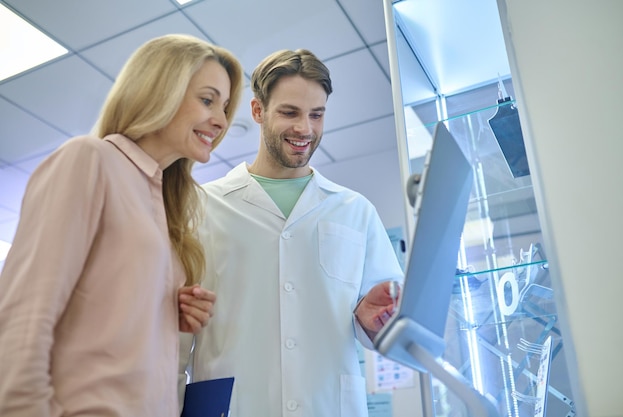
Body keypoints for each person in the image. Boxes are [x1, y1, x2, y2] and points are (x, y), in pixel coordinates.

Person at [0, 34, 244, 417]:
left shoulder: (165, 204)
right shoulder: (89, 160)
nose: (221, 120)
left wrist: (166, 309)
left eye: (225, 106)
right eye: (207, 99)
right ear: (159, 90)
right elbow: (24, 318)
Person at [179, 48, 404, 417]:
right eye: (289, 112)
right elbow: (175, 339)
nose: (305, 128)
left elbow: (388, 332)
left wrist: (377, 322)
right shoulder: (203, 207)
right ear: (257, 111)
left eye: (317, 115)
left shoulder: (355, 211)